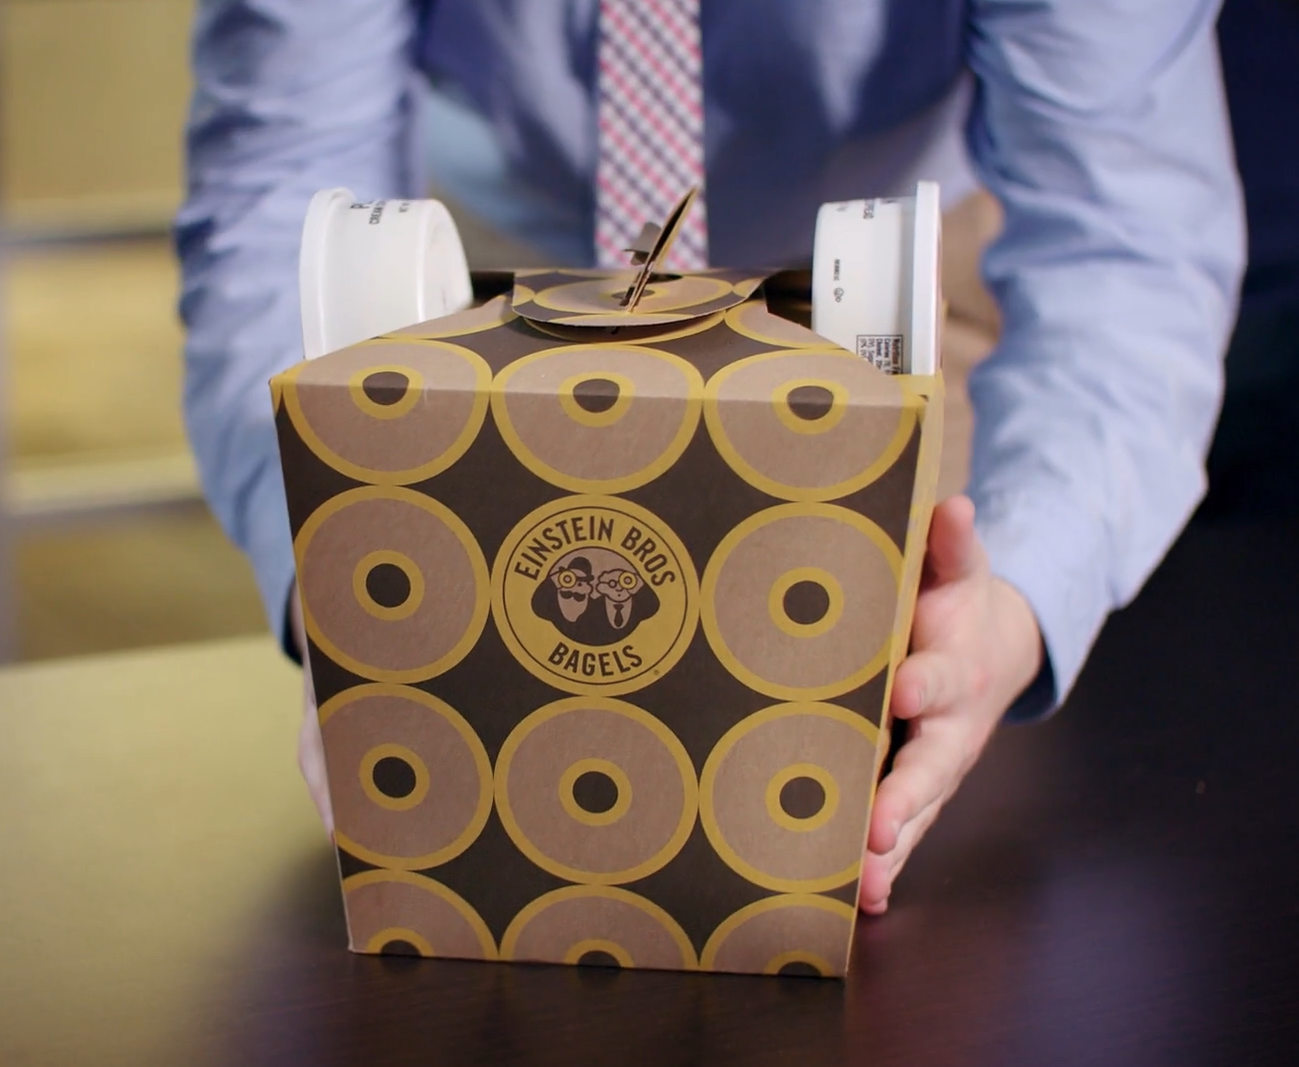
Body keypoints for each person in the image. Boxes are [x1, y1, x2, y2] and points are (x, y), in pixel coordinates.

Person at [176, 1, 1245, 915]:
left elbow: (1125, 238)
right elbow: (276, 197)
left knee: (856, 845)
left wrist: (1015, 593)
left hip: (883, 307)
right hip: (498, 308)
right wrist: (338, 557)